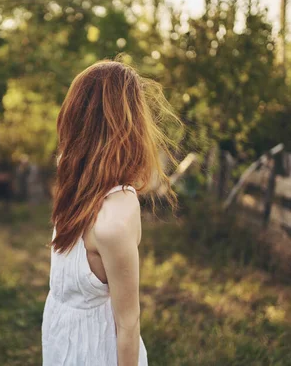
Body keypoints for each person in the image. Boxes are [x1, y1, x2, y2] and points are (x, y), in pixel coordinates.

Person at [42, 59, 179, 365]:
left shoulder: (112, 223)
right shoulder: (77, 189)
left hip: (95, 352)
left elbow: (128, 324)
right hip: (60, 336)